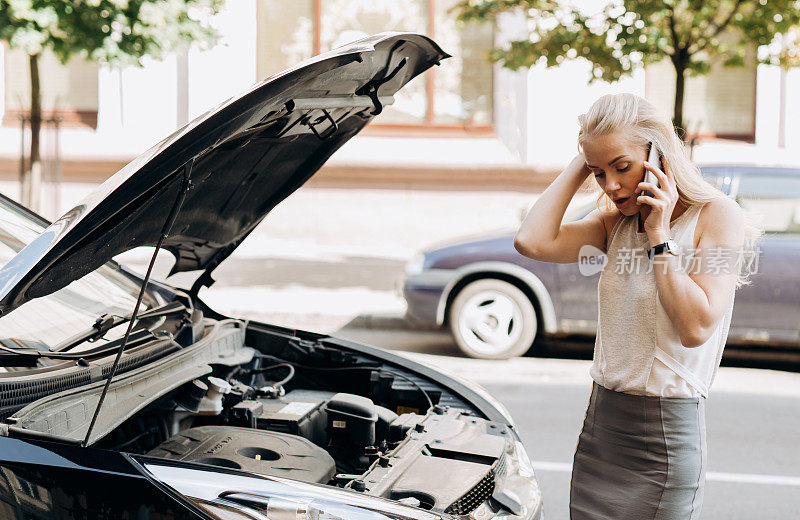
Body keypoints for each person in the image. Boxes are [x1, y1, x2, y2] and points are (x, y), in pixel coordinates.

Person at [514, 93, 760, 520]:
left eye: (621, 167)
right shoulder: (615, 224)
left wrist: (660, 236)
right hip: (601, 433)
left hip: (664, 441)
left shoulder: (717, 216)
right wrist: (586, 156)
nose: (610, 185)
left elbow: (695, 327)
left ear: (658, 152)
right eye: (599, 173)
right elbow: (532, 241)